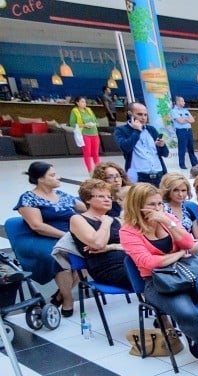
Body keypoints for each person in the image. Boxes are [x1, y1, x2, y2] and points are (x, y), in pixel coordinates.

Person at [120, 183, 198, 358]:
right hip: (156, 281)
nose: (157, 209)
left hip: (184, 272)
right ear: (137, 205)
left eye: (159, 204)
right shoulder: (128, 231)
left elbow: (188, 244)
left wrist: (168, 222)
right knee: (187, 313)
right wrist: (178, 254)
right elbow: (149, 263)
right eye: (151, 205)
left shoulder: (167, 218)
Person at [15, 162, 85, 316]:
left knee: (93, 253)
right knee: (60, 258)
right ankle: (67, 299)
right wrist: (66, 236)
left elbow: (86, 209)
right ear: (40, 179)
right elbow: (37, 226)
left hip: (72, 234)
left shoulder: (62, 196)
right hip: (48, 237)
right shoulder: (29, 198)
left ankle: (60, 294)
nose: (58, 178)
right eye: (52, 175)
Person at [70, 179, 129, 289]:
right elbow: (98, 244)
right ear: (88, 199)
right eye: (101, 196)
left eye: (109, 197)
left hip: (130, 262)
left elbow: (133, 245)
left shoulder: (117, 221)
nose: (107, 200)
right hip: (107, 268)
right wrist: (106, 223)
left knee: (162, 273)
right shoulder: (78, 219)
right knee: (154, 278)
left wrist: (112, 246)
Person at [113, 102, 168, 186]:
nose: (143, 118)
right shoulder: (121, 130)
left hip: (158, 174)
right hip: (138, 176)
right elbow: (125, 148)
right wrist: (136, 131)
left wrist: (162, 146)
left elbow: (165, 154)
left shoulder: (151, 129)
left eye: (145, 115)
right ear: (130, 114)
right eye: (140, 114)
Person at [159, 173, 198, 241]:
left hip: (188, 247)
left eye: (183, 190)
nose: (180, 194)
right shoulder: (161, 209)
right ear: (168, 191)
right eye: (176, 190)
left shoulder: (188, 211)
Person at [70, 97, 101, 173]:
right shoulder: (75, 111)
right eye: (82, 102)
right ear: (77, 103)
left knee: (95, 153)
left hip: (94, 133)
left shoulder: (89, 110)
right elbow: (72, 124)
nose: (84, 103)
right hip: (84, 134)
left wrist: (94, 124)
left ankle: (99, 170)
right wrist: (84, 125)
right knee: (87, 153)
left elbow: (96, 122)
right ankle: (90, 170)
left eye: (85, 102)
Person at [169, 96, 198, 170]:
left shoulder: (185, 110)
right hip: (181, 131)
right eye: (182, 101)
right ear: (178, 102)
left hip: (189, 130)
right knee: (182, 148)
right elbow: (180, 121)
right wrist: (187, 119)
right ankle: (182, 164)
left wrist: (185, 119)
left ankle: (194, 164)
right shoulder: (174, 111)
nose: (184, 102)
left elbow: (193, 120)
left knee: (191, 148)